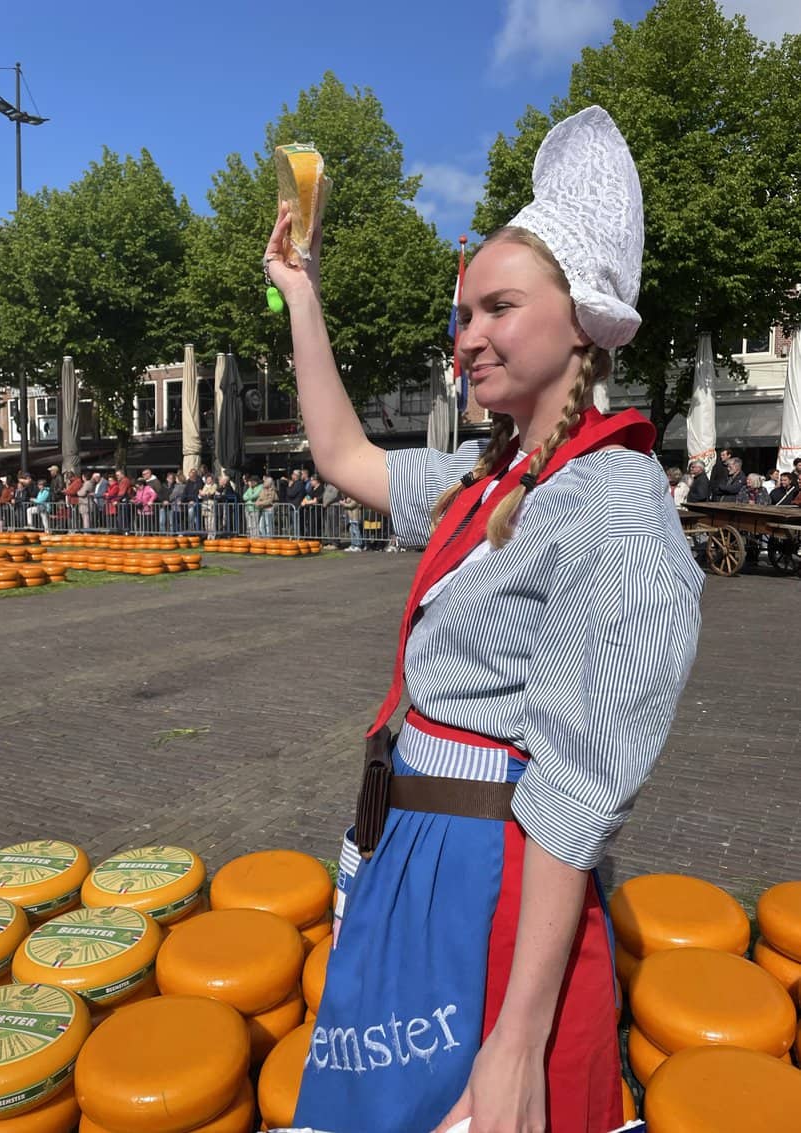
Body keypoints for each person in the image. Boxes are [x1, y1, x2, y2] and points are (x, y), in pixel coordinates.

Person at [263, 105, 702, 1133]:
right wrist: (300, 292)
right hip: (411, 850)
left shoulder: (610, 506)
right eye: (463, 316)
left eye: (496, 307)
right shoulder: (491, 471)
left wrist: (515, 1039)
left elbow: (571, 793)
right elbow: (344, 454)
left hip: (488, 886)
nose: (465, 339)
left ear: (582, 317)